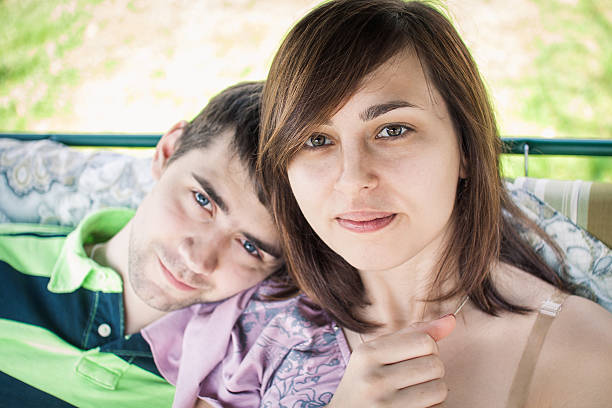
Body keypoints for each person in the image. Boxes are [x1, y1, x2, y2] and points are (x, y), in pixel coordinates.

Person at [256, 0, 612, 407]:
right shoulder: (261, 316)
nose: (353, 179)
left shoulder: (578, 353)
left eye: (392, 130)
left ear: (465, 149)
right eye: (316, 140)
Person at [0, 81, 287, 407]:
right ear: (167, 151)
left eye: (250, 247)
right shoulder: (6, 262)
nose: (198, 259)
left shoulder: (240, 380)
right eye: (202, 200)